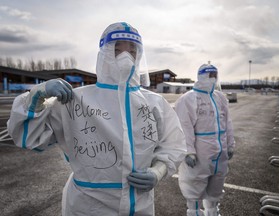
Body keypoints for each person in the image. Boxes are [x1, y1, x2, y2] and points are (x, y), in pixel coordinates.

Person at [7, 22, 186, 216]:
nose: (125, 56)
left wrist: (157, 171)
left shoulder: (155, 103)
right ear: (104, 54)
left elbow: (173, 144)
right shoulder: (76, 100)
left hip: (140, 206)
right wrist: (37, 95)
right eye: (117, 50)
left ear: (139, 56)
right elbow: (29, 137)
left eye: (132, 51)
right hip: (88, 207)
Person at [175, 63, 235, 216]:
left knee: (217, 183)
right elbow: (184, 127)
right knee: (194, 183)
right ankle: (194, 212)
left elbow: (227, 123)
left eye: (215, 75)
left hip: (220, 152)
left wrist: (230, 144)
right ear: (201, 76)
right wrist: (189, 152)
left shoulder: (220, 97)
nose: (213, 79)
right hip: (199, 152)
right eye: (210, 75)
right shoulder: (188, 99)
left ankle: (212, 211)